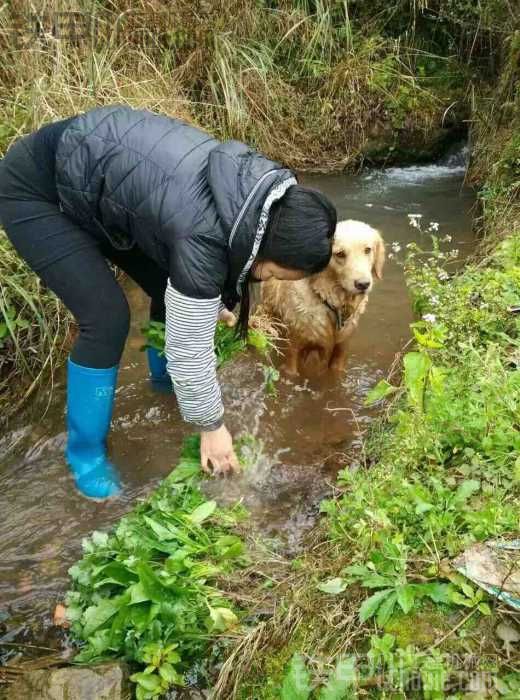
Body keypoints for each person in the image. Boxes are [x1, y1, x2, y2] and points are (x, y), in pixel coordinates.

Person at [0, 105, 337, 499]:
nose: (269, 281)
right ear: (270, 246)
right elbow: (189, 346)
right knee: (106, 317)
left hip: (97, 182)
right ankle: (85, 454)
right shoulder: (205, 234)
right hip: (38, 192)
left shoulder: (255, 196)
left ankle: (165, 387)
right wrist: (212, 427)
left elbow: (195, 272)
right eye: (276, 273)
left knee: (166, 287)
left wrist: (207, 302)